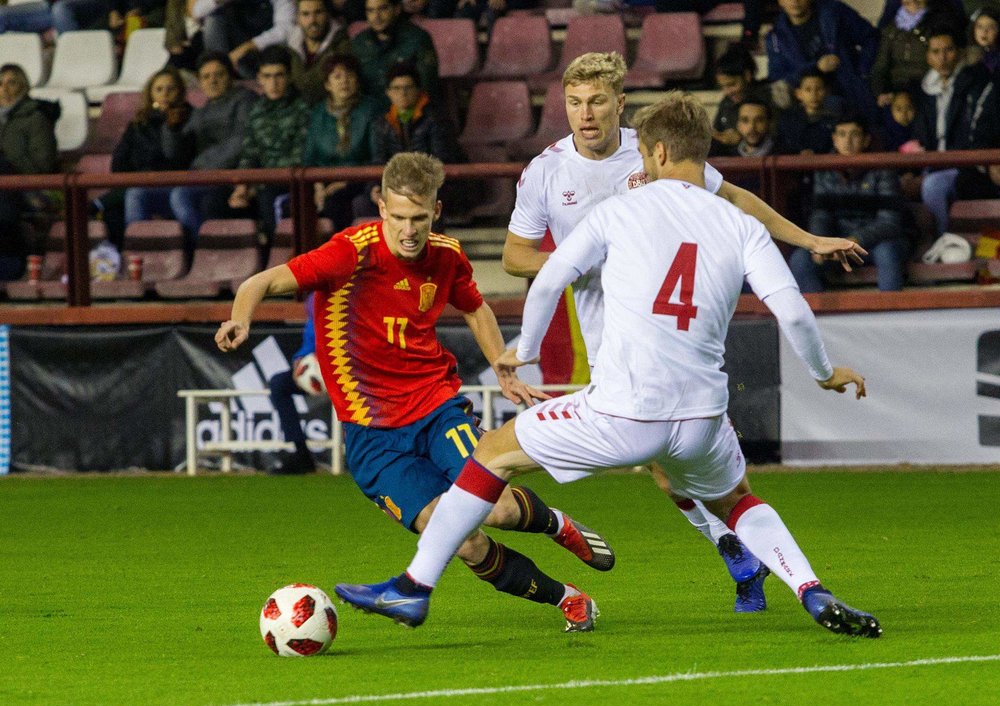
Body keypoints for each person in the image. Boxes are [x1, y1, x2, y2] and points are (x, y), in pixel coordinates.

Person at [335, 92, 883, 640]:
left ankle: (414, 586)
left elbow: (549, 278)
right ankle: (812, 588)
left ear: (662, 152)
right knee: (736, 500)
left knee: (492, 454)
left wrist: (524, 347)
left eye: (644, 154)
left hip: (624, 413)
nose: (640, 165)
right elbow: (791, 308)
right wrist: (824, 373)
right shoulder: (740, 226)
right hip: (701, 419)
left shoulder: (620, 211)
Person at [495, 53, 866, 614]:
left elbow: (736, 201)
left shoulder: (653, 150)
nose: (585, 114)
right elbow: (514, 254)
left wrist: (808, 241)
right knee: (667, 471)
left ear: (620, 103)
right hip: (608, 333)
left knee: (669, 461)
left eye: (596, 101)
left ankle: (733, 547)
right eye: (574, 103)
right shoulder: (545, 171)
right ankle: (739, 548)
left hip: (672, 329)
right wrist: (585, 260)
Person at [216, 151, 614, 632]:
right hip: (373, 438)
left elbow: (475, 307)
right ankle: (566, 598)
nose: (409, 230)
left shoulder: (445, 255)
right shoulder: (350, 253)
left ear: (436, 212)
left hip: (436, 408)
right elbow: (264, 280)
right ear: (381, 207)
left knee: (500, 510)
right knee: (463, 542)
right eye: (399, 217)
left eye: (419, 218)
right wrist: (241, 317)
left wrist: (500, 366)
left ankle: (556, 524)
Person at [125, 52, 256, 254]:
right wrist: (171, 129)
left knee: (180, 195)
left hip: (224, 180)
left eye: (218, 75)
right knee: (136, 194)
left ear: (230, 76)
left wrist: (202, 170)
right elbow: (173, 153)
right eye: (206, 77)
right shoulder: (200, 111)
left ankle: (204, 253)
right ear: (200, 82)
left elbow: (240, 143)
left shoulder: (244, 100)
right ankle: (141, 257)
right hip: (197, 180)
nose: (212, 81)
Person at [789, 115, 910, 292]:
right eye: (842, 134)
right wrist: (820, 243)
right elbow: (821, 215)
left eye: (854, 134)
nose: (848, 141)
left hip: (875, 242)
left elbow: (889, 223)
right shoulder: (824, 170)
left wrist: (854, 240)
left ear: (866, 140)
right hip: (839, 242)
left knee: (887, 253)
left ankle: (891, 314)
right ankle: (817, 317)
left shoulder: (883, 169)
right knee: (801, 259)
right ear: (835, 140)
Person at [353, 61, 458, 221]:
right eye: (396, 88)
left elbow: (441, 159)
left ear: (418, 90)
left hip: (429, 187)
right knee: (362, 203)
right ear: (388, 92)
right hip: (396, 187)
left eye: (408, 87)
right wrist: (374, 187)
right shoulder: (382, 123)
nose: (402, 93)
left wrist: (412, 186)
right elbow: (378, 160)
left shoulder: (436, 119)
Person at [910, 26, 990, 236]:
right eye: (935, 52)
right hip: (931, 162)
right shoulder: (924, 89)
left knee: (933, 186)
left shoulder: (973, 82)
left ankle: (943, 240)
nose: (943, 58)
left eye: (949, 50)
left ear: (960, 52)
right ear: (928, 57)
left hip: (963, 164)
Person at [101, 66, 192, 250]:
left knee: (134, 194)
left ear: (180, 92)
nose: (164, 94)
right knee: (114, 207)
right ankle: (117, 254)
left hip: (170, 185)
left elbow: (176, 159)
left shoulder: (189, 119)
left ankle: (137, 251)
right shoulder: (138, 124)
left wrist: (170, 127)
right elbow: (119, 162)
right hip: (137, 181)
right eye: (159, 89)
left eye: (170, 89)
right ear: (150, 94)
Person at [229, 45, 311, 247]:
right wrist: (242, 185)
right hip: (262, 181)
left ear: (289, 76)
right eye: (267, 76)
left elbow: (300, 157)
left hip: (291, 183)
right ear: (259, 78)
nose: (273, 83)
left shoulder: (304, 108)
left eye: (279, 76)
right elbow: (250, 152)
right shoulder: (257, 110)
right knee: (218, 202)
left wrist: (257, 184)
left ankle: (277, 260)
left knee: (267, 197)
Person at [766, 0, 880, 129]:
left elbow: (871, 37)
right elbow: (777, 79)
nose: (795, 1)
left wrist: (863, 72)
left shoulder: (834, 12)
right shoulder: (775, 38)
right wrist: (815, 67)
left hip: (853, 96)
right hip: (810, 109)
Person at [302, 53, 380, 230]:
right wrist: (318, 186)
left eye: (349, 75)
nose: (344, 81)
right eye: (337, 77)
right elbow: (309, 158)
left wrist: (344, 182)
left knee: (335, 202)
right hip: (323, 180)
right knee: (295, 204)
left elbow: (376, 156)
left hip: (360, 180)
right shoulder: (318, 113)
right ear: (327, 84)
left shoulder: (371, 110)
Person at [0, 63, 58, 280]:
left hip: (31, 187)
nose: (4, 88)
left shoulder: (36, 119)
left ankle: (11, 263)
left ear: (23, 87)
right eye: (0, 83)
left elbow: (42, 168)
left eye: (11, 82)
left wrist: (8, 154)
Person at [870, 0, 966, 107]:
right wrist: (880, 92)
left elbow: (941, 61)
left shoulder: (940, 22)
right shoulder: (892, 27)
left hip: (926, 88)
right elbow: (880, 65)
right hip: (895, 91)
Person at [351, 0, 439, 106]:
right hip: (370, 114)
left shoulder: (418, 39)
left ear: (397, 9)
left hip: (409, 112)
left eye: (383, 9)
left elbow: (427, 87)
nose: (376, 16)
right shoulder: (360, 42)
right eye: (370, 11)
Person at [269, 292, 320, 474]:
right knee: (279, 384)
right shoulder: (312, 298)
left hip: (345, 365)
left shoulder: (321, 296)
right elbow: (312, 335)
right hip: (318, 368)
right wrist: (301, 358)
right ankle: (301, 453)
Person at [190, 0, 297, 77]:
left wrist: (249, 46)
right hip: (230, 54)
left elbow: (285, 29)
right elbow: (197, 12)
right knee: (213, 20)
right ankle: (218, 70)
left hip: (261, 54)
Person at [285, 0, 353, 105]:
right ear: (298, 18)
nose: (312, 20)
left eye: (318, 12)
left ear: (327, 14)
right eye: (305, 14)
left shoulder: (342, 46)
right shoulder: (290, 47)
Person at [711, 42, 773, 156]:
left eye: (732, 84)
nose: (727, 92)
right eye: (723, 87)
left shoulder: (769, 98)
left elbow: (777, 135)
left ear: (747, 75)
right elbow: (717, 132)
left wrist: (742, 138)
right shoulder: (726, 103)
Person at [777, 68, 846, 155]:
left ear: (827, 91)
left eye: (819, 89)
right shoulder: (787, 119)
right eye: (808, 90)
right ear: (798, 94)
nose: (814, 94)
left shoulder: (835, 121)